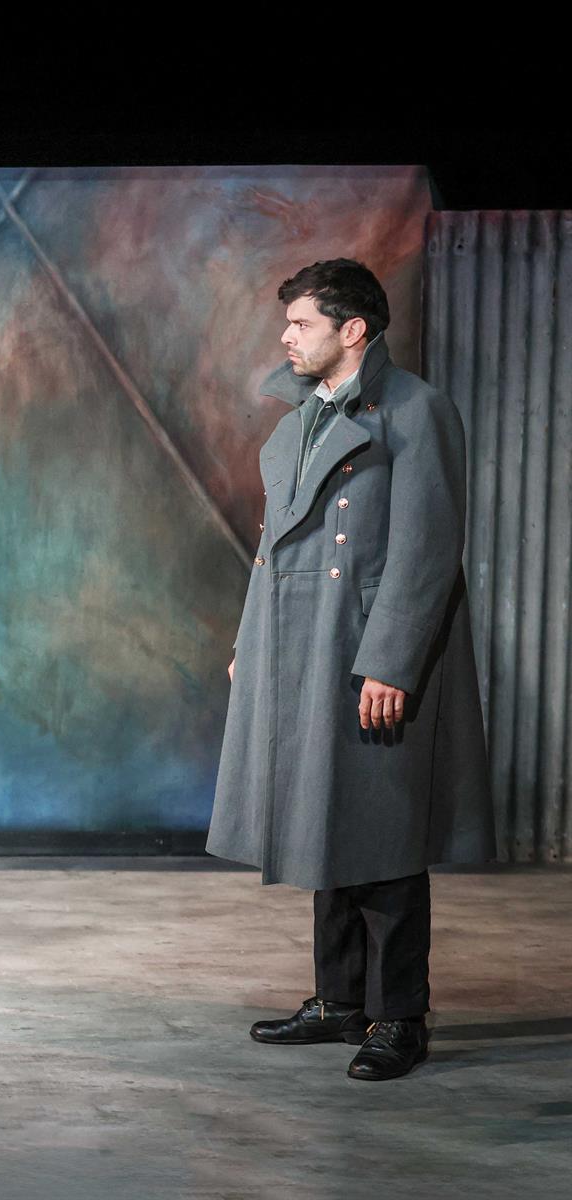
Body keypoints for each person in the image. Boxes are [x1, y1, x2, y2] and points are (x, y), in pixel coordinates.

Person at [209, 259, 495, 1081]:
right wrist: (250, 642)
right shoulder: (305, 415)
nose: (286, 336)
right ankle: (339, 1001)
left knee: (384, 832)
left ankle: (399, 1015)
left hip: (369, 650)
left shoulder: (416, 410)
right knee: (321, 820)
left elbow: (427, 549)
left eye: (301, 323)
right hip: (302, 646)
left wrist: (393, 664)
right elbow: (274, 547)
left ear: (353, 329)